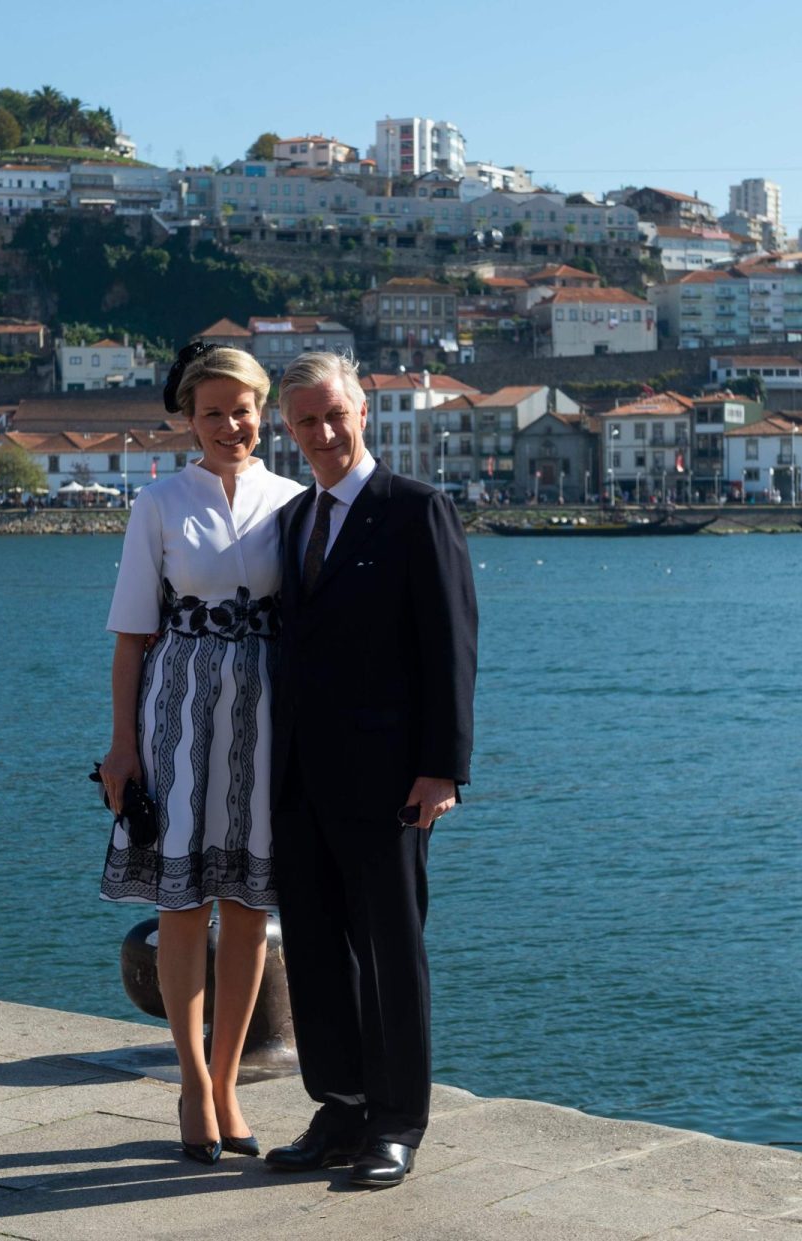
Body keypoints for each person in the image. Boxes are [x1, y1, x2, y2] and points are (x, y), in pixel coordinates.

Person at [263, 352, 478, 1190]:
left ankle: (397, 1121)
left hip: (391, 780)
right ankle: (341, 1105)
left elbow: (451, 648)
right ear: (290, 430)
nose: (322, 433)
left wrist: (443, 769)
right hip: (301, 778)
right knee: (315, 949)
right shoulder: (292, 519)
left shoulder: (416, 510)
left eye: (334, 416)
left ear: (365, 412)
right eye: (306, 421)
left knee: (392, 951)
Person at [99, 342, 305, 1164]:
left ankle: (227, 1082)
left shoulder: (295, 501)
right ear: (188, 418)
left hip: (265, 710)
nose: (230, 424)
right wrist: (121, 746)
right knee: (184, 905)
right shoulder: (157, 503)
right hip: (176, 710)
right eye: (213, 411)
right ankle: (191, 1082)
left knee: (252, 906)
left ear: (264, 414)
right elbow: (129, 636)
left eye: (243, 409)